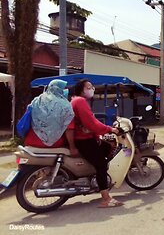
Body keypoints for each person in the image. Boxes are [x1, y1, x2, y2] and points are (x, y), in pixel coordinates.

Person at [68, 79, 122, 208]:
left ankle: (96, 178)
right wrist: (111, 129)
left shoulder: (77, 101)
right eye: (88, 87)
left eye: (92, 86)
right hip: (83, 140)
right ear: (81, 89)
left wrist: (102, 132)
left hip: (87, 138)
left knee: (107, 147)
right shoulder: (80, 101)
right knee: (101, 165)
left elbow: (91, 121)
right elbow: (91, 123)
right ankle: (105, 198)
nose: (92, 89)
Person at [24, 79, 75, 149]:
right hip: (54, 143)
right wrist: (72, 147)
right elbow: (69, 128)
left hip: (31, 140)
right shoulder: (65, 106)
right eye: (63, 89)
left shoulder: (36, 101)